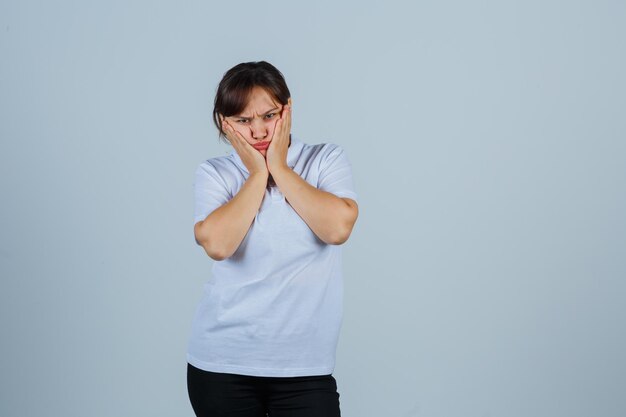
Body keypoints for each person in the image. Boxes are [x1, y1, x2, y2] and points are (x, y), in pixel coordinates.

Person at [186, 61, 359, 417]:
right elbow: (219, 245)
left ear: (288, 110)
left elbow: (337, 229)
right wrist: (257, 175)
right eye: (243, 121)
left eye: (269, 116)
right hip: (222, 365)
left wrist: (278, 168)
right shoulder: (215, 174)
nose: (259, 131)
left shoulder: (324, 160)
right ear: (224, 123)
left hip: (304, 366)